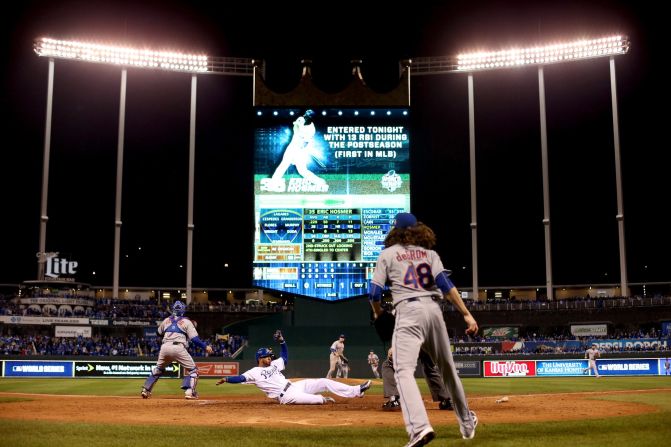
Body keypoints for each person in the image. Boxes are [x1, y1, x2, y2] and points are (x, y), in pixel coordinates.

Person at [369, 212, 479, 444]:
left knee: (403, 371)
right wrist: (467, 315)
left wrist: (378, 313)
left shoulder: (387, 254)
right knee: (448, 370)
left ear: (396, 230)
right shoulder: (430, 254)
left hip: (408, 313)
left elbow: (375, 293)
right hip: (433, 311)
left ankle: (420, 427)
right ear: (417, 229)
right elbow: (447, 287)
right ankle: (467, 422)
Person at [216, 330, 371, 404]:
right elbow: (241, 378)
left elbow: (285, 356)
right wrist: (227, 378)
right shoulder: (254, 372)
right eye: (268, 356)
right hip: (287, 397)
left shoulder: (275, 364)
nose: (271, 357)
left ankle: (357, 390)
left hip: (295, 386)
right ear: (260, 358)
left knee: (324, 382)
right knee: (319, 400)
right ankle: (322, 400)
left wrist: (282, 341)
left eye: (270, 356)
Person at [141, 300, 213, 400]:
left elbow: (158, 333)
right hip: (178, 347)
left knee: (158, 369)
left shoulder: (166, 320)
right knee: (193, 370)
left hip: (165, 347)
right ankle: (189, 392)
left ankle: (146, 390)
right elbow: (195, 339)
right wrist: (205, 347)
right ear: (183, 310)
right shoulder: (187, 322)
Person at [382, 347, 453, 412]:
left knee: (388, 363)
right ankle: (447, 400)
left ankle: (394, 400)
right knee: (430, 368)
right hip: (432, 344)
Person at [270, 109, 327, 187]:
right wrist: (300, 134)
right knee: (283, 164)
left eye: (308, 115)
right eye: (305, 114)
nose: (305, 116)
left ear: (311, 118)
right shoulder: (300, 119)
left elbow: (306, 143)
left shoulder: (312, 129)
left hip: (301, 151)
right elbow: (296, 128)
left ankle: (320, 182)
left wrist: (301, 146)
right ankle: (273, 183)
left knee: (302, 171)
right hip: (292, 147)